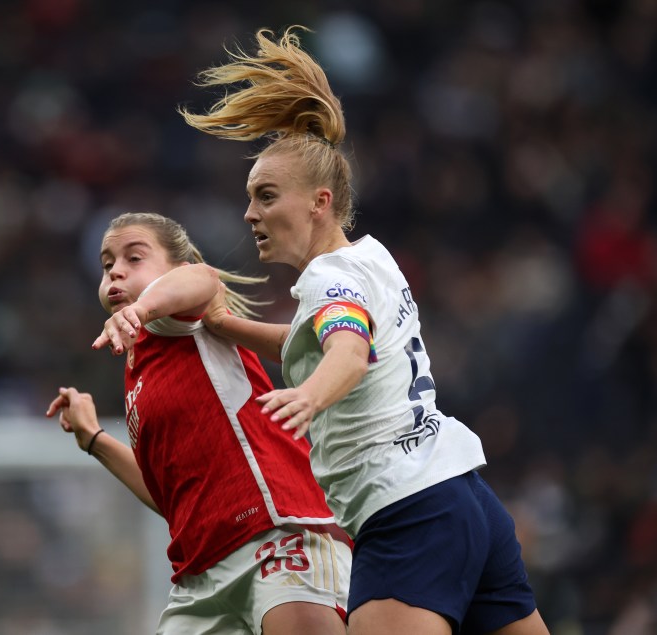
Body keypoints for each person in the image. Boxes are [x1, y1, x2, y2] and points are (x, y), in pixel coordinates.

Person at [178, 26, 551, 635]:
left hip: (407, 513)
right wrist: (225, 324)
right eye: (249, 198)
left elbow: (348, 355)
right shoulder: (369, 260)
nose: (250, 213)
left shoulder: (329, 278)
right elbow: (322, 342)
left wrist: (307, 398)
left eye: (266, 195)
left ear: (319, 201)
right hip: (466, 501)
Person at [46, 212, 353, 635]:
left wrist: (141, 308)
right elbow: (170, 497)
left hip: (275, 537)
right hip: (202, 576)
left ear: (176, 267)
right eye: (107, 264)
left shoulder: (175, 318)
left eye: (134, 258)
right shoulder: (138, 369)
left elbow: (204, 279)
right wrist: (95, 440)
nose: (115, 269)